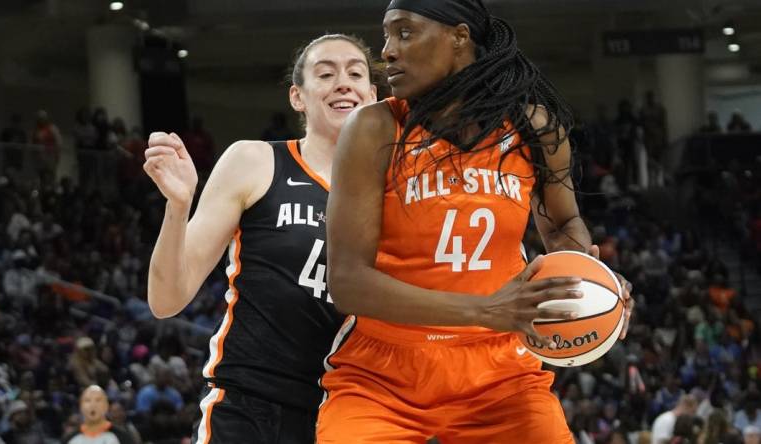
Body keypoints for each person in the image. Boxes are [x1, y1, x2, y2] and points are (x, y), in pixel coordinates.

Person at [319, 1, 634, 442]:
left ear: (459, 37)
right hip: (383, 374)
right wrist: (485, 310)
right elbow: (348, 282)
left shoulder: (534, 128)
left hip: (499, 371)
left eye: (405, 33)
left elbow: (563, 226)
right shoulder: (374, 129)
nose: (387, 51)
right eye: (386, 36)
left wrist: (590, 278)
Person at [143, 33, 377, 443]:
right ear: (297, 97)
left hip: (347, 415)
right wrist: (178, 207)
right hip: (250, 406)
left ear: (372, 95)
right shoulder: (255, 161)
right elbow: (166, 300)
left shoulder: (396, 194)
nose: (343, 82)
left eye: (355, 73)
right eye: (325, 74)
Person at [61, 385, 134, 444]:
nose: (93, 405)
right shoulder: (69, 439)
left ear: (106, 406)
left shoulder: (123, 437)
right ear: (81, 407)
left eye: (98, 400)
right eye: (87, 401)